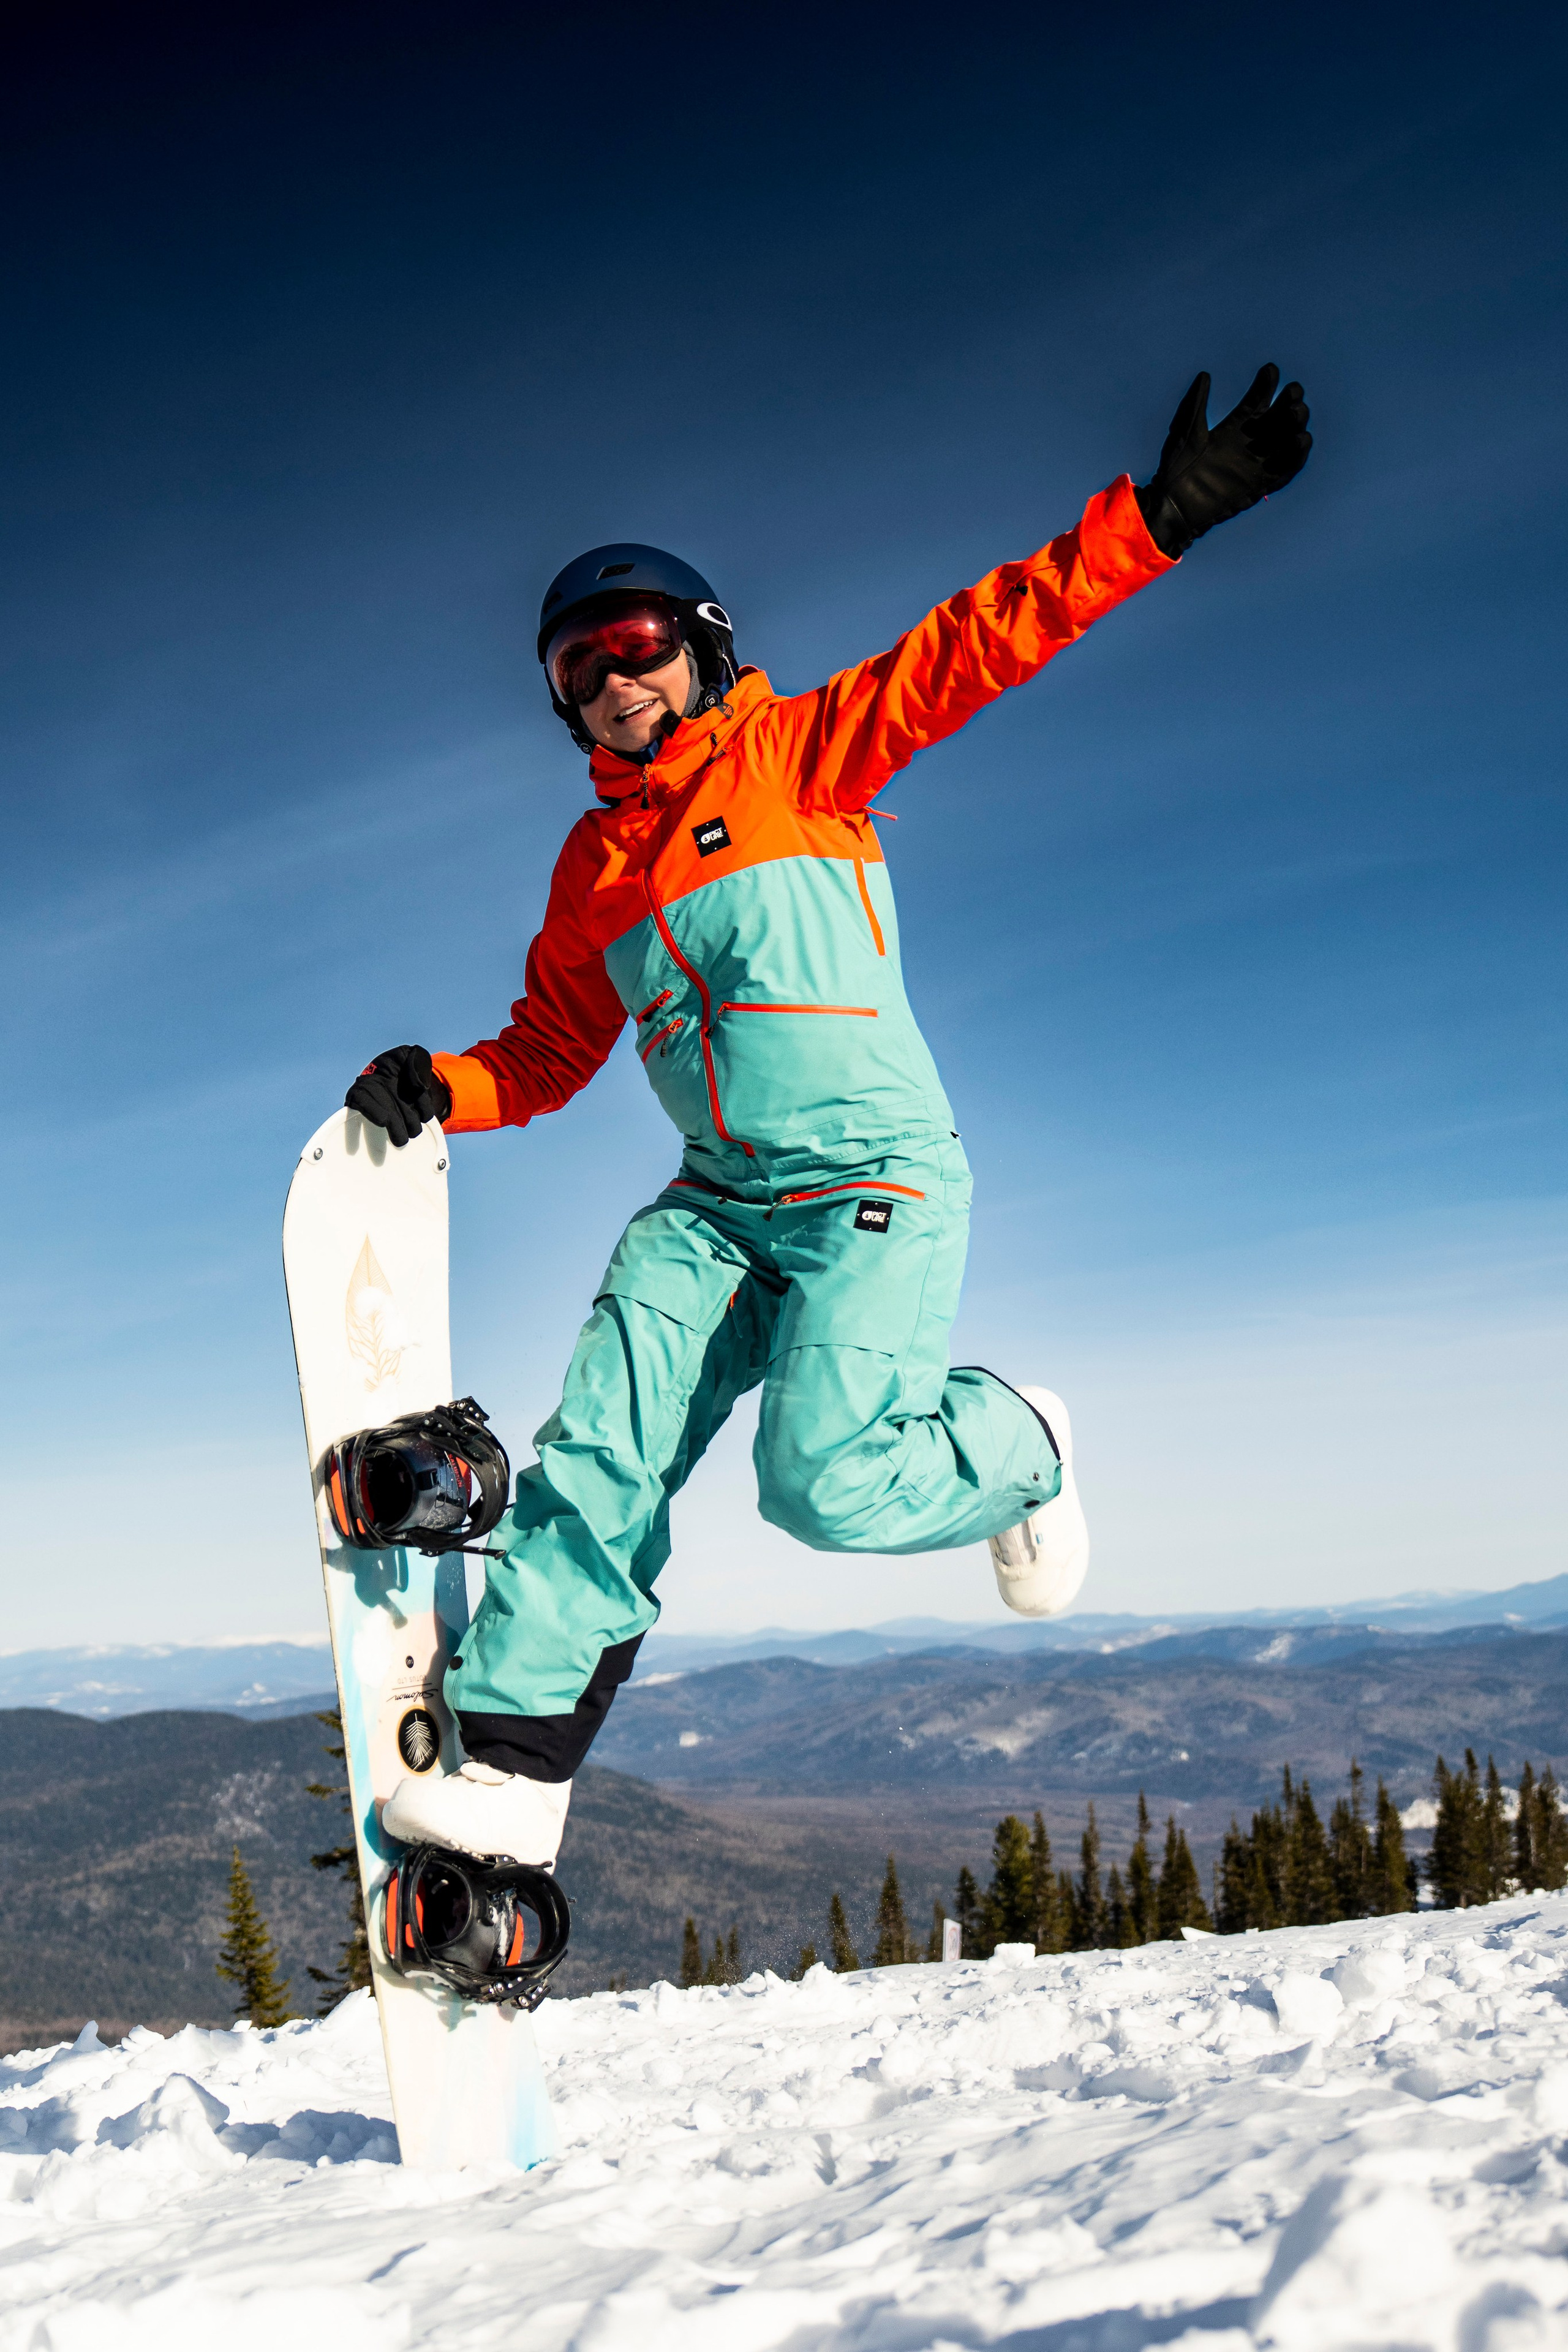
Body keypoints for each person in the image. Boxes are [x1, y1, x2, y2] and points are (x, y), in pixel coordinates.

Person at [360, 364, 1312, 1866]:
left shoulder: (802, 754)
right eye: (574, 669)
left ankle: (1019, 1440)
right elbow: (547, 1053)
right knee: (602, 1444)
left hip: (871, 1177)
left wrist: (1156, 518)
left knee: (821, 1487)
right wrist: (445, 1091)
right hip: (715, 1202)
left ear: (699, 647)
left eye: (633, 646)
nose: (609, 681)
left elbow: (975, 644)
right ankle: (515, 1775)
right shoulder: (590, 874)